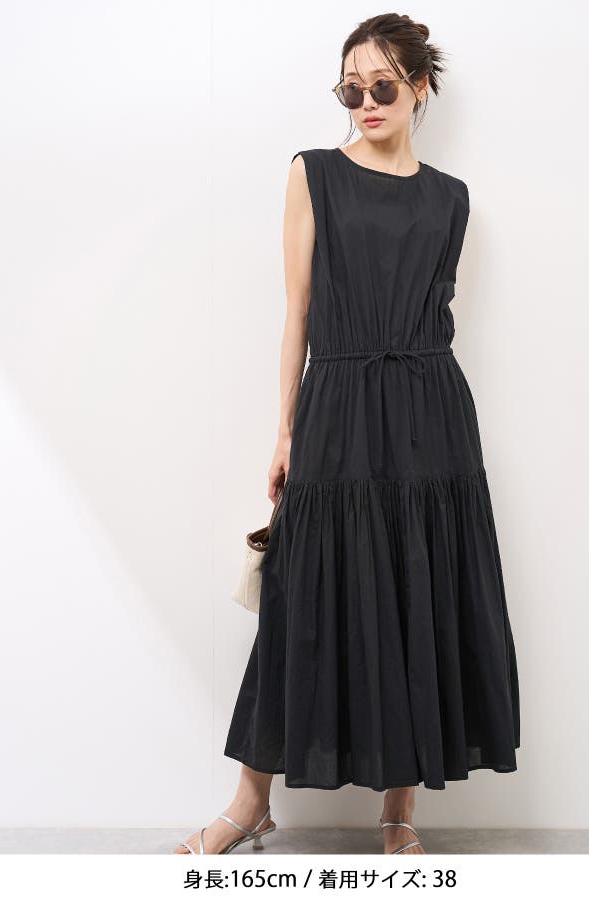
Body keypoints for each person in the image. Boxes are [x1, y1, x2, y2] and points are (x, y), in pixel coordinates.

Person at [176, 12, 520, 857]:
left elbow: (431, 309)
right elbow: (296, 311)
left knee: (418, 592)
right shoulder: (315, 173)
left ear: (419, 88)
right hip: (336, 401)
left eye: (382, 87)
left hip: (432, 411)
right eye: (350, 88)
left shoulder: (450, 198)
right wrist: (285, 430)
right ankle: (250, 803)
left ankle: (399, 813)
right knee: (301, 596)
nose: (365, 102)